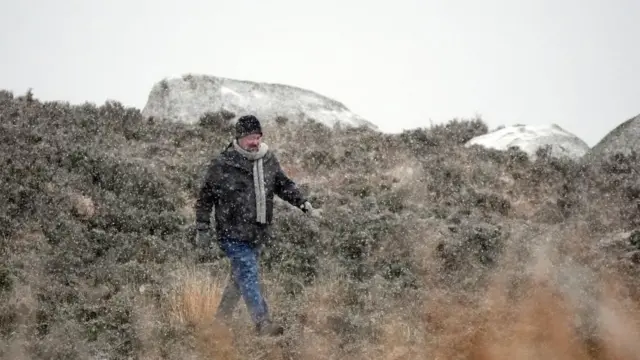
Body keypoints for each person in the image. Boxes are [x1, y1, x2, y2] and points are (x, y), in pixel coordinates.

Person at [194, 114, 321, 336]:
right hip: (231, 233)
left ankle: (219, 324)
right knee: (248, 272)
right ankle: (262, 323)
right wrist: (202, 228)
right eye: (250, 138)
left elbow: (283, 185)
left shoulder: (268, 159)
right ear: (239, 139)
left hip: (257, 233)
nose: (254, 142)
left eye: (258, 137)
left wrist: (304, 204)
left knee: (238, 279)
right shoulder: (223, 163)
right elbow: (205, 198)